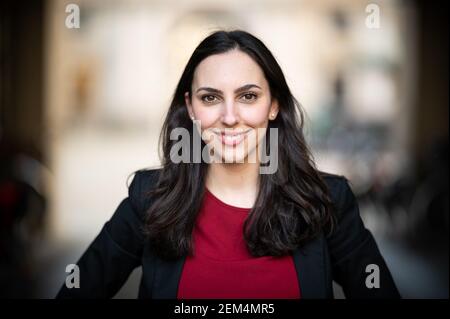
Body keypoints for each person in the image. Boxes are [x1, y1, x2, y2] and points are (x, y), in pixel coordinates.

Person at [56, 30, 400, 299]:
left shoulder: (328, 200)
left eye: (248, 96)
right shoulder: (149, 200)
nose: (230, 117)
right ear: (191, 108)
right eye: (211, 98)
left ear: (273, 105)